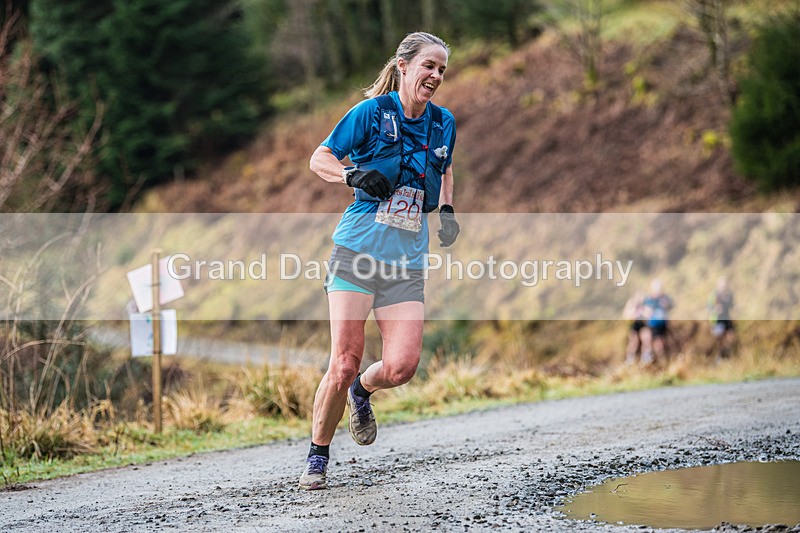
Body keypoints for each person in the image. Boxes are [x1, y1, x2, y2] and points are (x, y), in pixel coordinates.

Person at [299, 32, 459, 490]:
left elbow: (445, 167)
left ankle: (362, 392)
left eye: (442, 70)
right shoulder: (371, 113)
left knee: (402, 367)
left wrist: (446, 209)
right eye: (429, 66)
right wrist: (351, 173)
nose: (436, 76)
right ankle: (318, 453)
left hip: (406, 262)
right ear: (404, 66)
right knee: (344, 360)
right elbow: (319, 157)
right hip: (357, 253)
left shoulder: (443, 122)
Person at [640, 279, 673, 365]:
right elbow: (643, 310)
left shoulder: (665, 298)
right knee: (646, 338)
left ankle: (662, 363)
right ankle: (646, 359)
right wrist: (645, 312)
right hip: (650, 324)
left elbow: (670, 306)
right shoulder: (648, 299)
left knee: (659, 344)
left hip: (660, 325)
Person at [708, 277, 735, 359]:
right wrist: (715, 309)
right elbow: (709, 307)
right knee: (719, 339)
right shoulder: (714, 295)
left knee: (731, 337)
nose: (724, 287)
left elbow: (732, 305)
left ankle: (727, 355)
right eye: (722, 285)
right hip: (717, 320)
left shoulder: (729, 295)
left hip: (727, 319)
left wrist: (737, 308)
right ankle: (718, 357)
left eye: (725, 285)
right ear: (718, 285)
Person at [623, 290, 646, 365]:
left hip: (642, 324)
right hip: (633, 325)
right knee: (633, 342)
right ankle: (630, 359)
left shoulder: (644, 304)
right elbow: (626, 316)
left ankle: (645, 359)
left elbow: (648, 315)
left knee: (646, 339)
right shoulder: (631, 304)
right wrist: (634, 310)